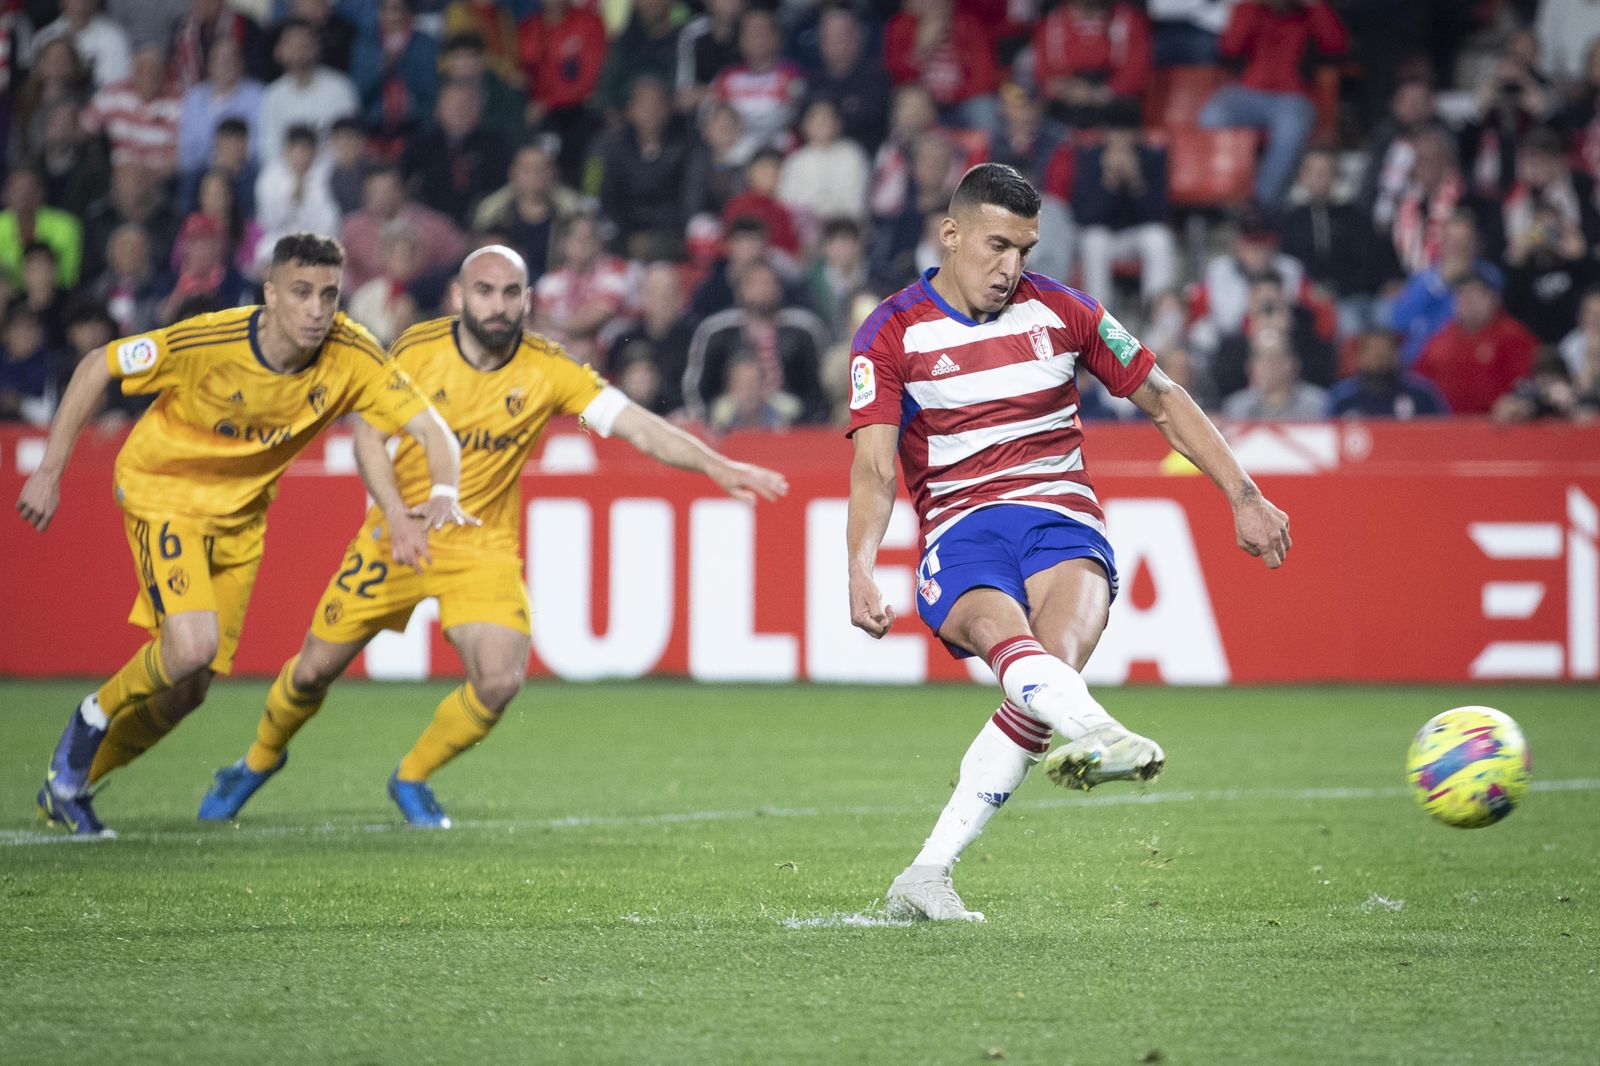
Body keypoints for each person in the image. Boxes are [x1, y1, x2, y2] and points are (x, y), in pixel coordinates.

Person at [195, 245, 788, 828]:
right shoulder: (416, 352)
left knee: (500, 680)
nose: (497, 305)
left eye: (510, 293)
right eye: (484, 291)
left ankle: (412, 776)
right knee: (311, 673)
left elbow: (634, 423)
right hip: (396, 536)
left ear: (528, 300)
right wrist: (397, 515)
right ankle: (258, 759)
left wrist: (716, 465)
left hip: (481, 544)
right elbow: (368, 438)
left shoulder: (549, 370)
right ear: (459, 296)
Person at [845, 163, 1289, 921]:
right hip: (961, 529)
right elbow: (875, 469)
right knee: (1007, 642)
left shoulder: (1065, 311)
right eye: (995, 246)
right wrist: (858, 568)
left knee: (1043, 681)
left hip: (1062, 519)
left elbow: (1163, 398)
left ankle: (927, 873)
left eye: (1024, 248)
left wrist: (1243, 496)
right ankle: (1103, 731)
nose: (1010, 266)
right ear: (950, 236)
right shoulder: (890, 332)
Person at [18, 232, 470, 837]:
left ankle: (69, 784)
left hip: (241, 519)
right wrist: (50, 471)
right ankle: (89, 719)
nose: (317, 309)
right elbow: (98, 363)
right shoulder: (211, 339)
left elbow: (433, 429)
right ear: (271, 294)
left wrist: (442, 493)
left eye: (329, 295)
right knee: (191, 647)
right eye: (302, 292)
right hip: (165, 493)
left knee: (188, 691)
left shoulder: (353, 353)